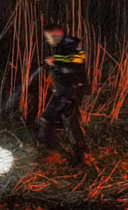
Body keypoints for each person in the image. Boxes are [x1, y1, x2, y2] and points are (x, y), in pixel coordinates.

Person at [38, 23, 91, 165]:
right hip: (69, 91)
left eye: (48, 37)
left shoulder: (70, 45)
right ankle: (82, 155)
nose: (48, 41)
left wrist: (55, 62)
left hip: (68, 92)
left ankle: (49, 153)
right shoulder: (66, 45)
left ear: (56, 35)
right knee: (70, 122)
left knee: (46, 119)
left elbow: (75, 64)